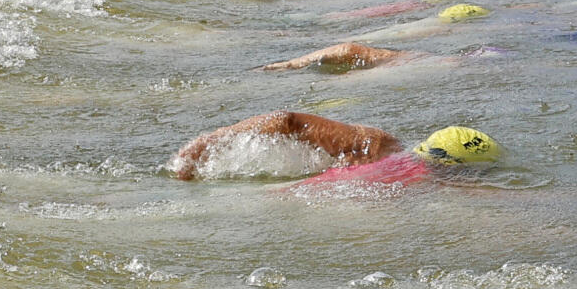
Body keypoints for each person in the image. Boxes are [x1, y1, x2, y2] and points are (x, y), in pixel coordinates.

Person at [167, 113, 498, 184]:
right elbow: (287, 122)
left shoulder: (378, 146)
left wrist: (207, 142)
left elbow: (287, 121)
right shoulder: (377, 146)